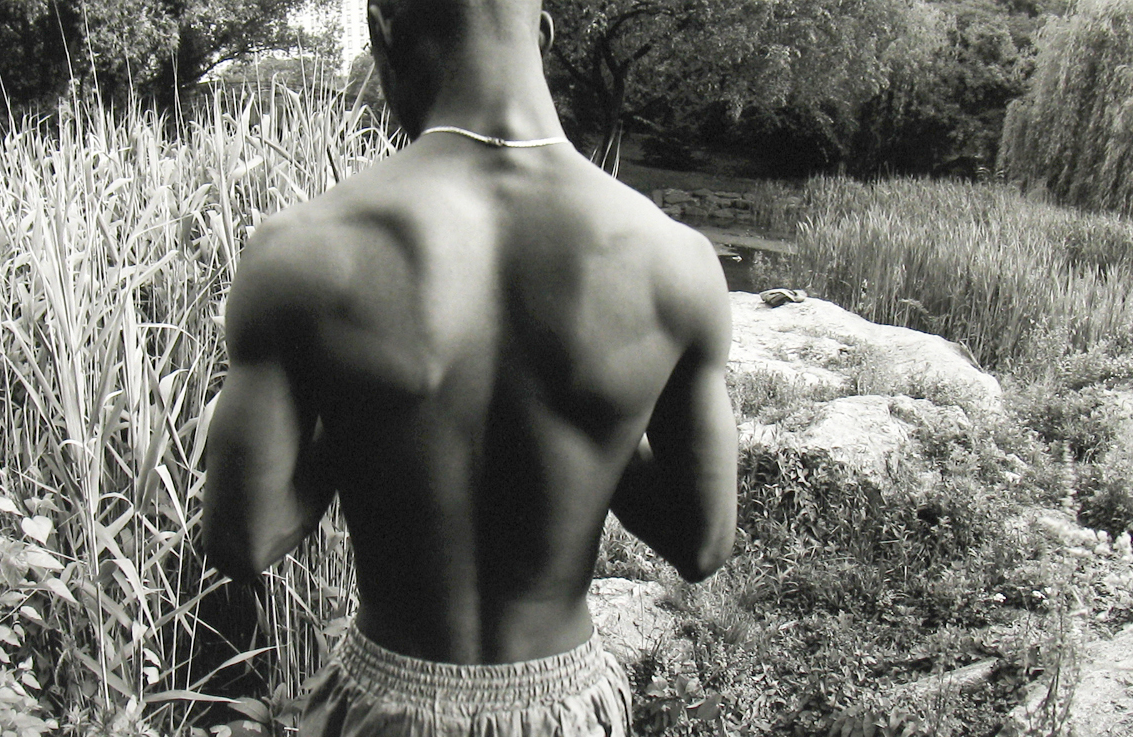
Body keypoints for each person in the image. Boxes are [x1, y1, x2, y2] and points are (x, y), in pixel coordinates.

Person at [200, 0, 737, 732]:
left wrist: (367, 414)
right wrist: (595, 418)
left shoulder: (301, 249)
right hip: (569, 709)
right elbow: (702, 540)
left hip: (379, 707)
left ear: (383, 30)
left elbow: (244, 538)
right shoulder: (678, 261)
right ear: (541, 36)